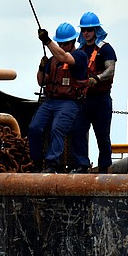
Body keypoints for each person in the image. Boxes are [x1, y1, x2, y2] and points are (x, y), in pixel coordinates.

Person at [28, 22, 89, 173]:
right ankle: (36, 162)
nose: (62, 47)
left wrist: (48, 41)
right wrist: (41, 68)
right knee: (34, 127)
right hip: (51, 101)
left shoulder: (80, 56)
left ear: (73, 42)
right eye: (60, 43)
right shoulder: (52, 61)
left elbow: (64, 57)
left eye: (65, 43)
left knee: (57, 128)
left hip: (69, 102)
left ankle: (52, 163)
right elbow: (41, 81)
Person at [71, 12, 117, 173]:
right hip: (83, 99)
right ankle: (82, 165)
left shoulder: (106, 49)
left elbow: (110, 70)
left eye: (89, 30)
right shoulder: (79, 51)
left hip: (101, 99)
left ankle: (104, 166)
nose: (86, 33)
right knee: (78, 131)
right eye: (83, 30)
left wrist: (96, 79)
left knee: (102, 134)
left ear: (96, 30)